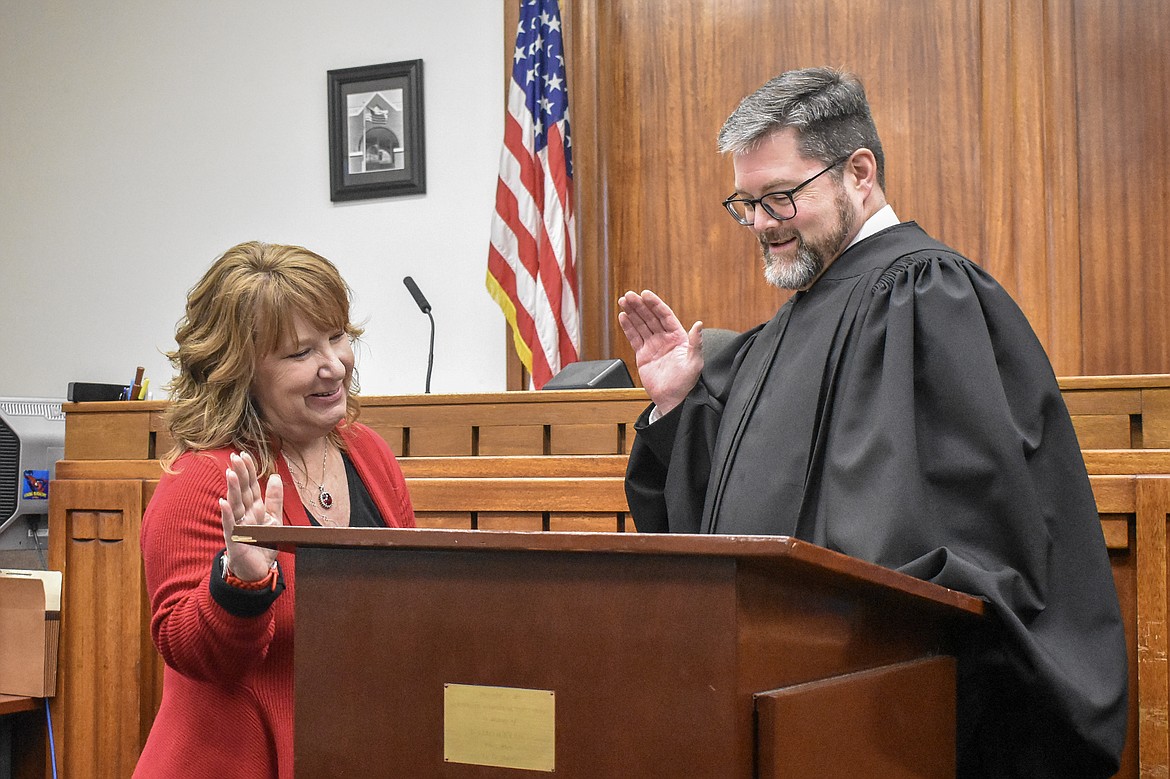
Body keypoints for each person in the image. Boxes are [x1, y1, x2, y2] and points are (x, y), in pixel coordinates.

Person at [618, 67, 1127, 777]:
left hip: (881, 722)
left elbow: (956, 538)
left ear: (858, 172)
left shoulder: (930, 295)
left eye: (781, 197)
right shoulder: (783, 331)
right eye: (747, 202)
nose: (761, 223)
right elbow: (715, 527)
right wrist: (677, 404)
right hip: (777, 708)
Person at [135, 241, 416, 778]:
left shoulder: (370, 454)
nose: (333, 365)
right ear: (240, 371)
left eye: (337, 338)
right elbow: (188, 651)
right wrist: (239, 581)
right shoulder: (200, 480)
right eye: (300, 353)